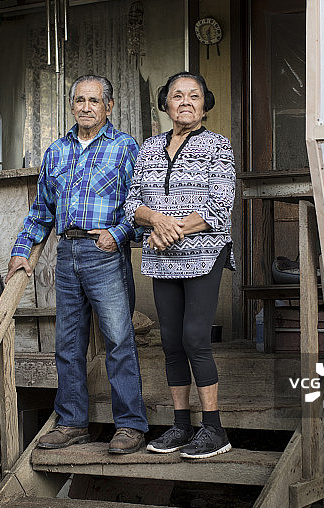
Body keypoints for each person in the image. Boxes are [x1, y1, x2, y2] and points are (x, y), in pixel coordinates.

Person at [7, 74, 148, 454]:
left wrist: (117, 234)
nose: (86, 107)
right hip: (66, 253)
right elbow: (41, 212)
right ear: (72, 105)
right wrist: (22, 250)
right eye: (80, 100)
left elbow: (140, 206)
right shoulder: (56, 151)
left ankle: (130, 425)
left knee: (118, 339)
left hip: (105, 253)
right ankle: (72, 423)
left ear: (109, 106)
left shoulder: (124, 147)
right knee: (68, 343)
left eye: (94, 100)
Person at [124, 72, 235, 459]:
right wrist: (156, 221)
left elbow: (219, 205)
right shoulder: (149, 148)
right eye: (177, 95)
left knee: (194, 338)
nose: (185, 102)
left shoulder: (218, 146)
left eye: (194, 96)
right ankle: (181, 425)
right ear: (165, 104)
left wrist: (169, 231)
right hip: (162, 258)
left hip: (204, 253)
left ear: (205, 104)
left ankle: (215, 429)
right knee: (170, 341)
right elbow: (132, 203)